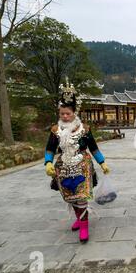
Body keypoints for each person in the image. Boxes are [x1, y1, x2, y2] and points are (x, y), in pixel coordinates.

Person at [44, 80, 110, 243]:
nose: (65, 116)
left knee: (81, 196)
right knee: (70, 196)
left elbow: (93, 148)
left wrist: (102, 162)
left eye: (68, 113)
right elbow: (50, 149)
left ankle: (84, 225)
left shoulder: (84, 130)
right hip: (64, 167)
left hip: (82, 166)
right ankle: (79, 218)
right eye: (62, 114)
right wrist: (48, 163)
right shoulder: (55, 130)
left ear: (75, 113)